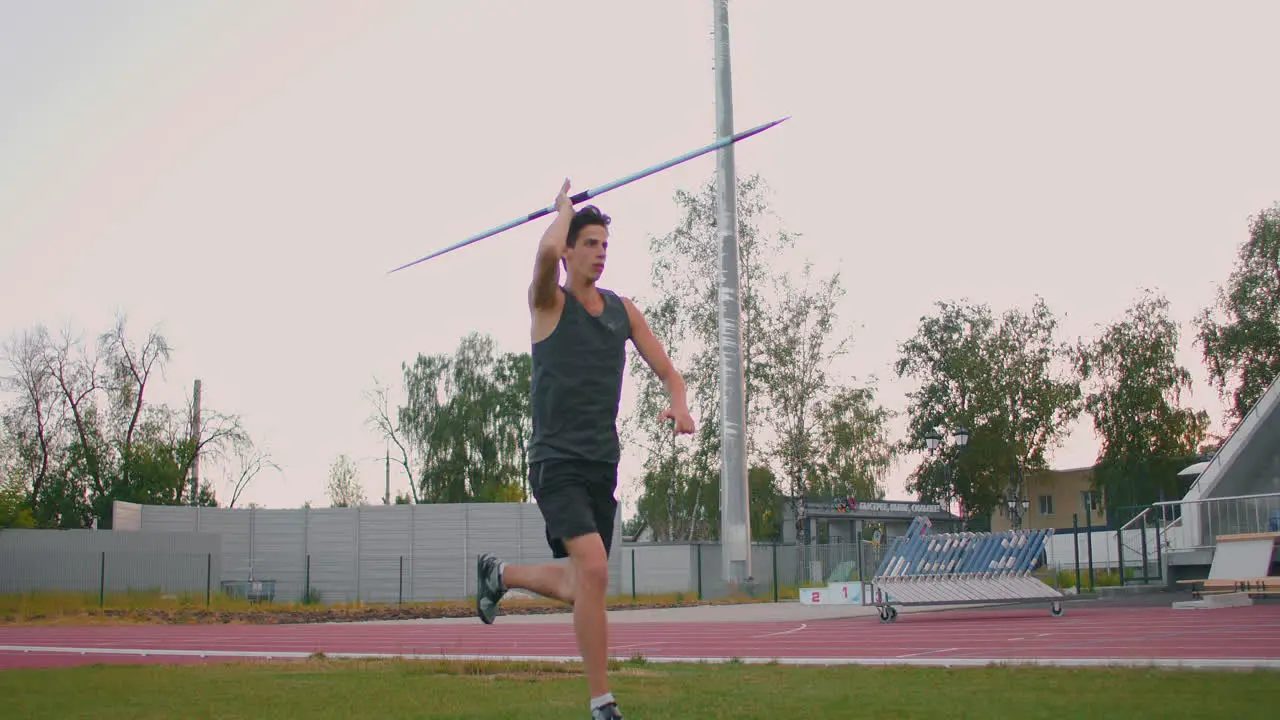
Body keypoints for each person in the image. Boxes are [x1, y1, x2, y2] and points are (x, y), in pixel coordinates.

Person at [475, 178, 695, 720]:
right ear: (570, 251)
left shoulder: (623, 311)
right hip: (556, 461)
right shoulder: (547, 302)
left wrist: (679, 402)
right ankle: (602, 701)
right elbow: (545, 250)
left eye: (604, 245)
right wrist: (562, 212)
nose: (598, 253)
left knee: (583, 584)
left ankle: (498, 575)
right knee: (594, 569)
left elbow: (669, 369)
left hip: (602, 463)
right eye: (588, 243)